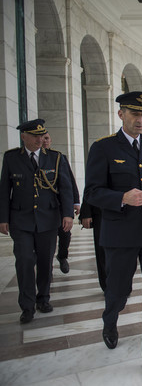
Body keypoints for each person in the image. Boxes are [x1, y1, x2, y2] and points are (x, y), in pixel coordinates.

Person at [84, 91, 142, 380]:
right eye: (135, 113)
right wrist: (122, 197)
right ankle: (110, 319)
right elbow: (93, 192)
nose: (140, 119)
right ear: (121, 114)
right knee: (119, 291)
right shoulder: (104, 148)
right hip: (120, 233)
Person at [0, 119, 74, 323]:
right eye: (34, 136)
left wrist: (67, 214)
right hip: (20, 220)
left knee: (45, 261)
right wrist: (3, 218)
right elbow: (5, 190)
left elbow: (65, 188)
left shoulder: (55, 158)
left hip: (48, 219)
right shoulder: (11, 158)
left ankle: (43, 298)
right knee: (24, 260)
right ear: (24, 136)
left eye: (42, 135)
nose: (39, 139)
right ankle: (27, 306)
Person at [42, 132, 80, 273]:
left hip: (60, 205)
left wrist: (75, 202)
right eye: (42, 138)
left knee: (65, 234)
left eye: (47, 138)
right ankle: (47, 267)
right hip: (44, 208)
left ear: (50, 140)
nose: (44, 141)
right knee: (46, 239)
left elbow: (69, 181)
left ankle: (62, 256)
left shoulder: (58, 158)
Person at [79, 198, 106, 291]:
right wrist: (86, 212)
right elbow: (91, 186)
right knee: (102, 251)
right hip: (101, 211)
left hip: (128, 211)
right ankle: (107, 286)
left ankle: (124, 284)